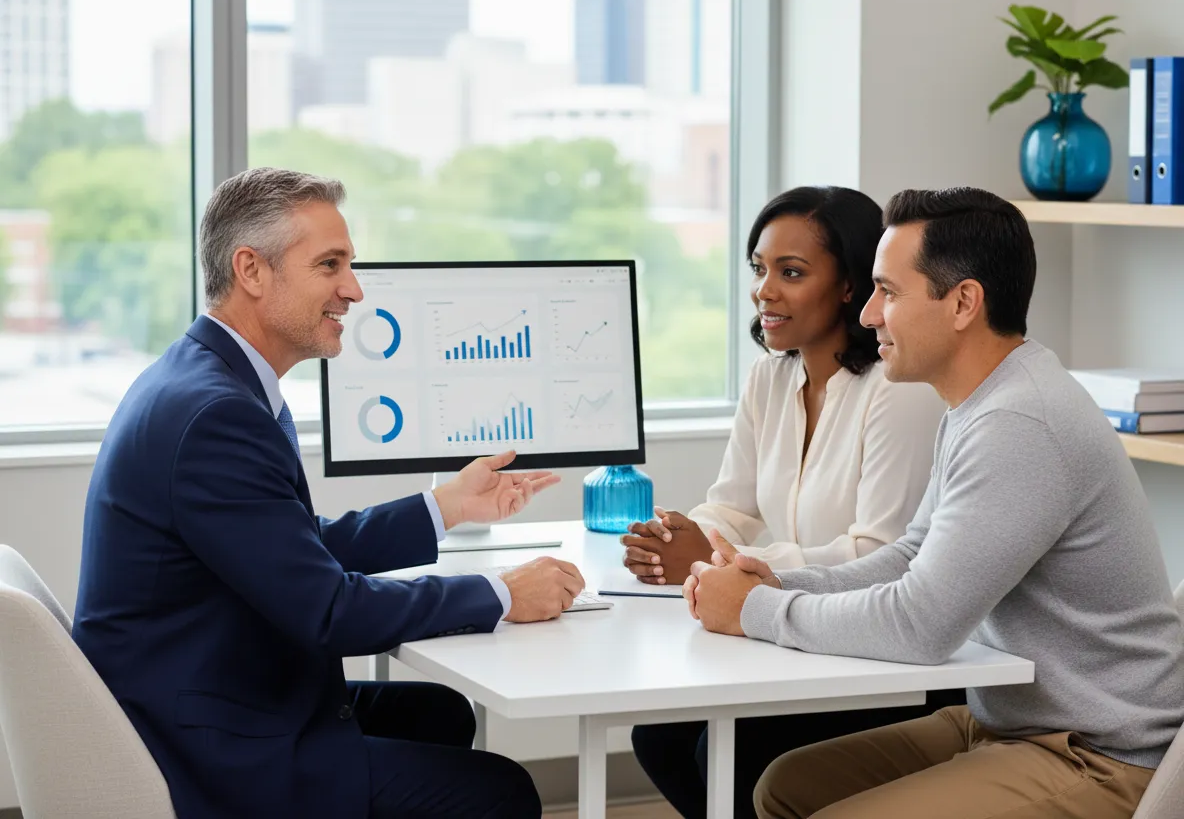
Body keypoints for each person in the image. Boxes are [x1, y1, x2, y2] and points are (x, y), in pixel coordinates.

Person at [73, 167, 585, 819]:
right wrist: (503, 594)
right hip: (203, 745)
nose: (354, 289)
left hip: (214, 694)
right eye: (329, 265)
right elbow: (329, 614)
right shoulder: (214, 417)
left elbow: (293, 546)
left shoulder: (213, 381)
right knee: (501, 793)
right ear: (251, 270)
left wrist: (448, 505)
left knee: (440, 713)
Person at [684, 187, 1184, 819]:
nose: (867, 315)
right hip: (1008, 723)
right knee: (783, 786)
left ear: (963, 303)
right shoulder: (978, 404)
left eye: (888, 293)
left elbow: (921, 625)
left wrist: (758, 609)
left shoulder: (1020, 422)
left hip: (1096, 753)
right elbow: (911, 555)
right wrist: (784, 580)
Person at [622, 186, 952, 819]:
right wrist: (678, 535)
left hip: (875, 653)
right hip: (795, 638)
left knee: (729, 755)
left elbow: (879, 552)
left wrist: (722, 555)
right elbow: (733, 505)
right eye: (760, 269)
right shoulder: (771, 376)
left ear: (853, 286)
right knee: (658, 736)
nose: (764, 290)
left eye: (791, 273)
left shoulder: (897, 389)